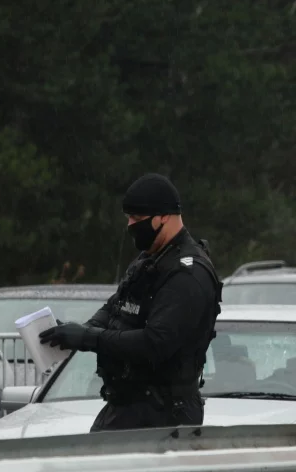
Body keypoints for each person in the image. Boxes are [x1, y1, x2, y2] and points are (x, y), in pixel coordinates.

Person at [39, 173, 222, 432]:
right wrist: (79, 331)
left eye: (137, 219)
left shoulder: (187, 274)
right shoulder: (150, 259)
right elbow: (116, 305)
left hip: (164, 416)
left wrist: (89, 338)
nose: (130, 225)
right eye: (129, 217)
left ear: (163, 217)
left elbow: (155, 343)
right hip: (126, 406)